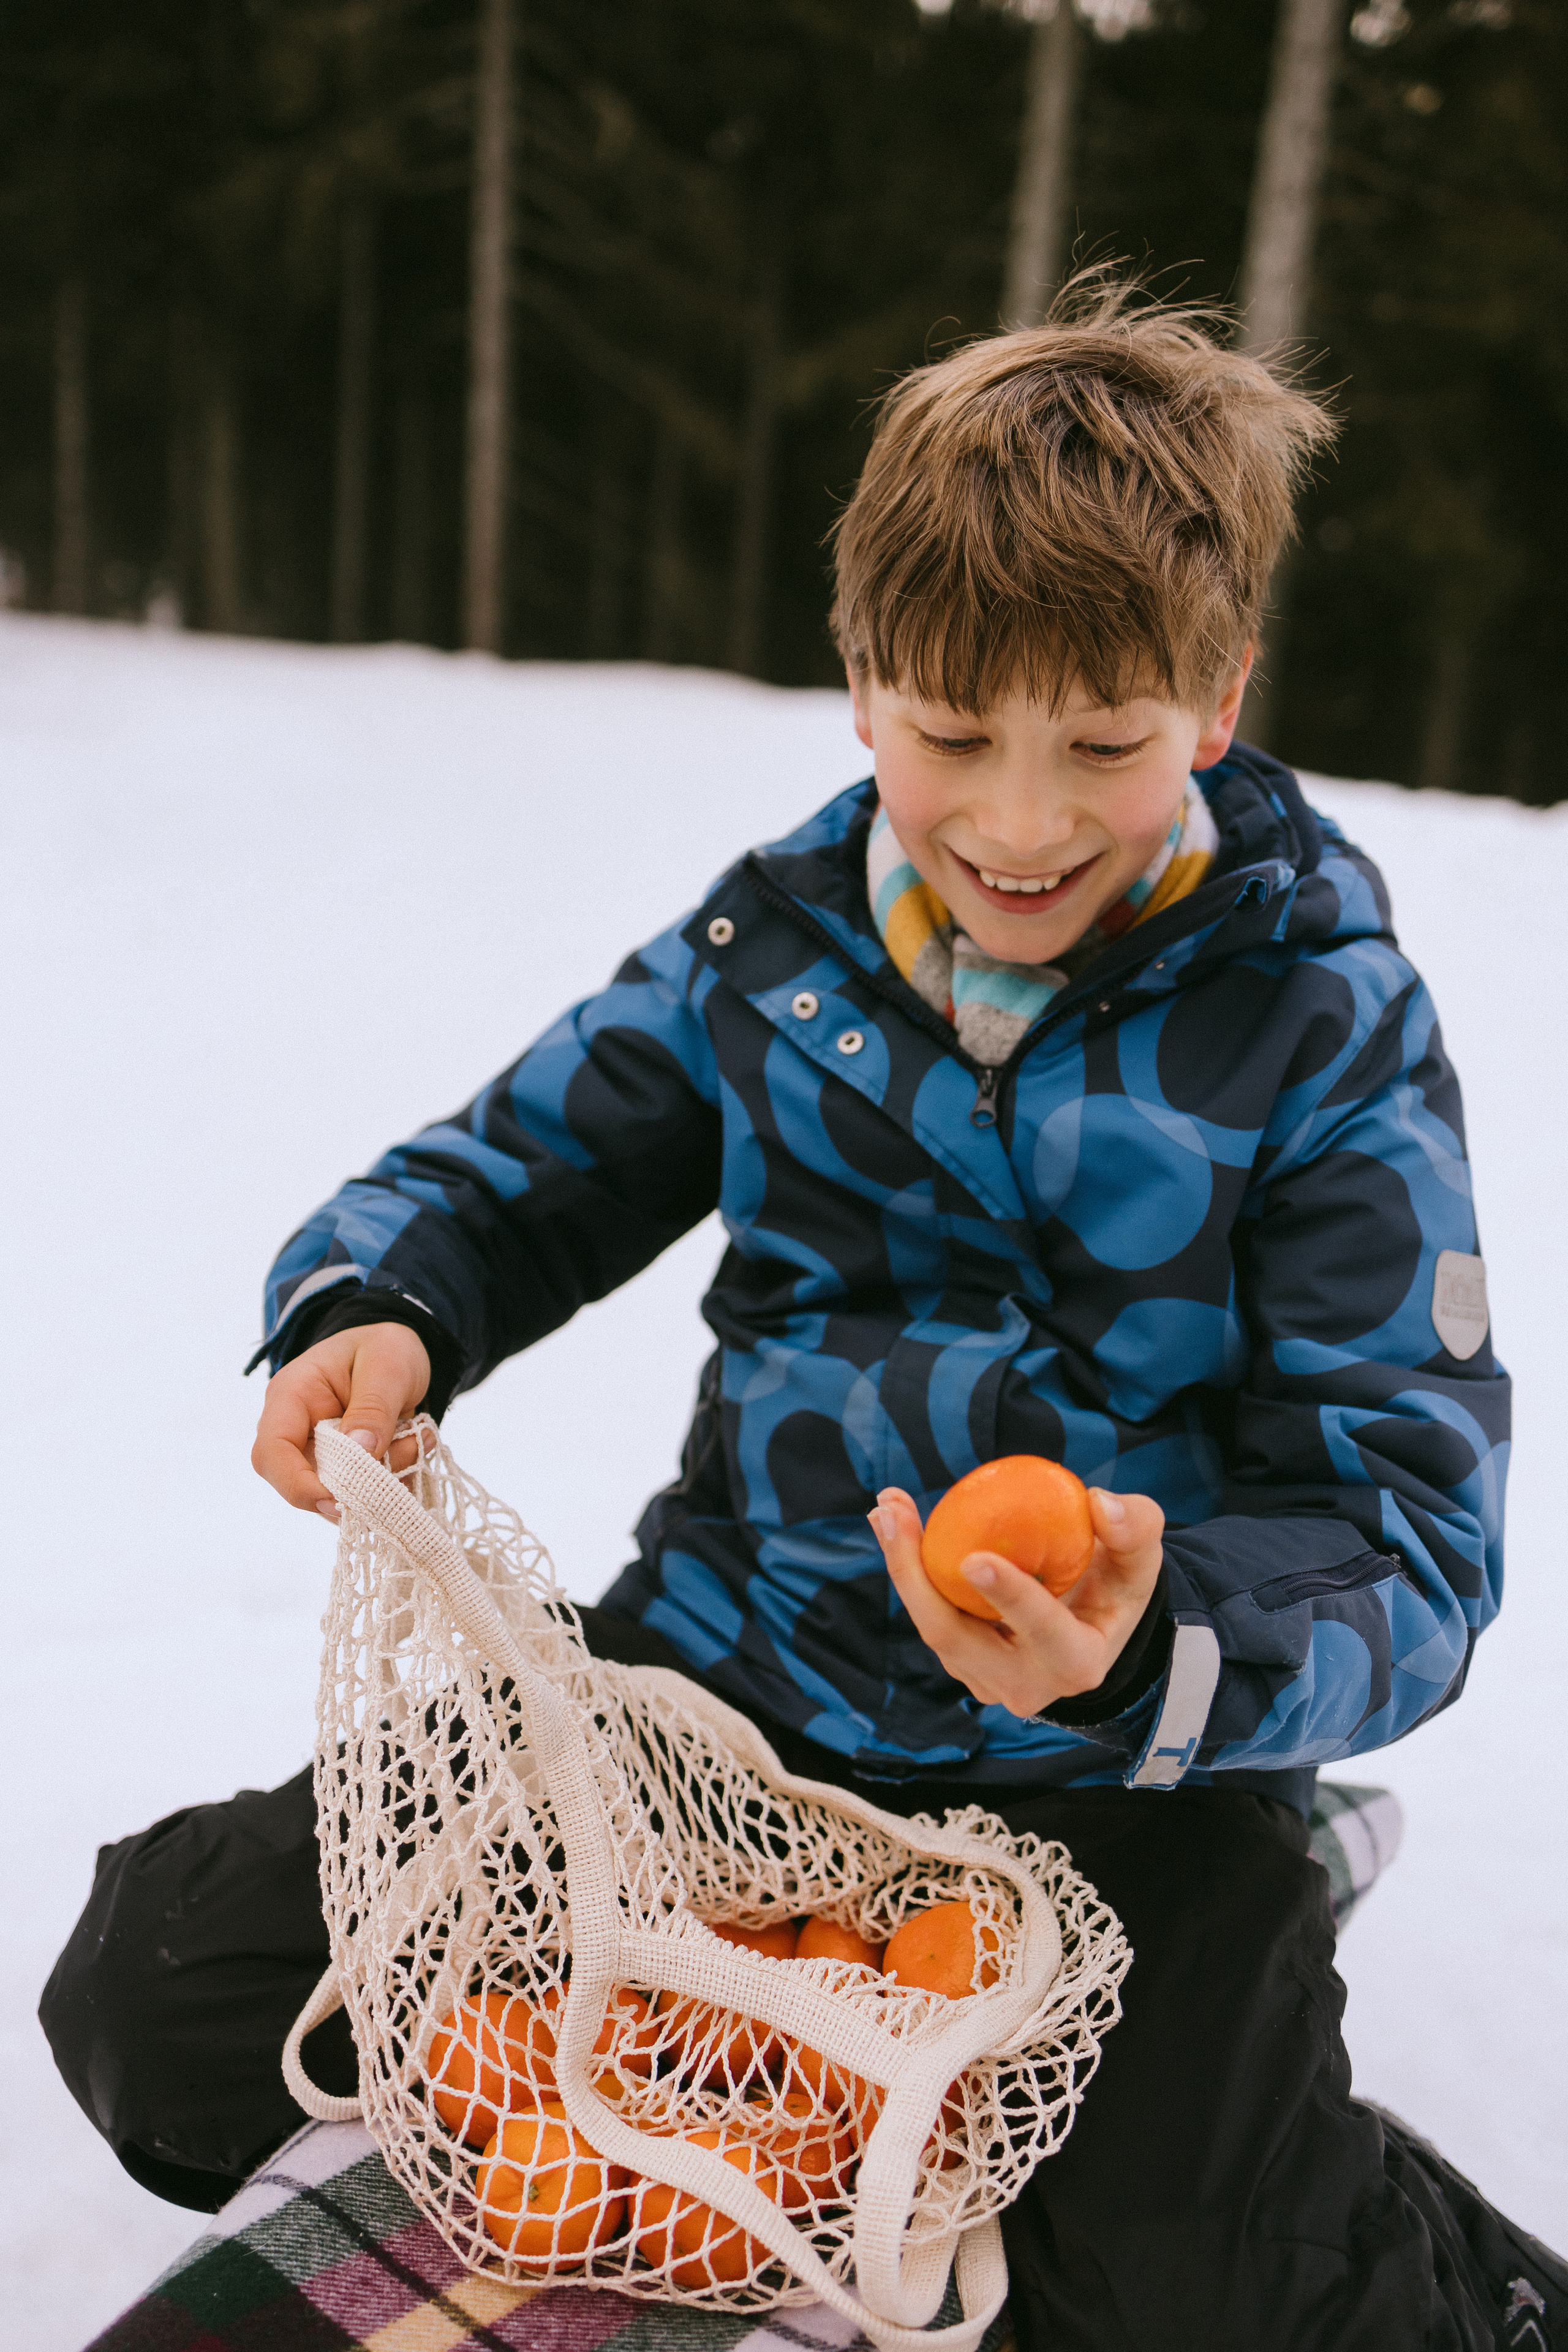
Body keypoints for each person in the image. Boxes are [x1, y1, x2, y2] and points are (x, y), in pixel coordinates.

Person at [42, 281, 1565, 2350]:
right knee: (166, 1987)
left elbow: (1414, 1534)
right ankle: (811, 2158)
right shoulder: (776, 950)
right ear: (862, 687)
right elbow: (503, 1177)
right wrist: (381, 1310)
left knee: (1197, 2275)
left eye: (1102, 746)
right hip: (714, 1712)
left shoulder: (1321, 1025)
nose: (1019, 824)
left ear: (1218, 700)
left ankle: (1436, 2279)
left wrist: (1153, 1643)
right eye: (952, 736)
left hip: (1113, 1788)